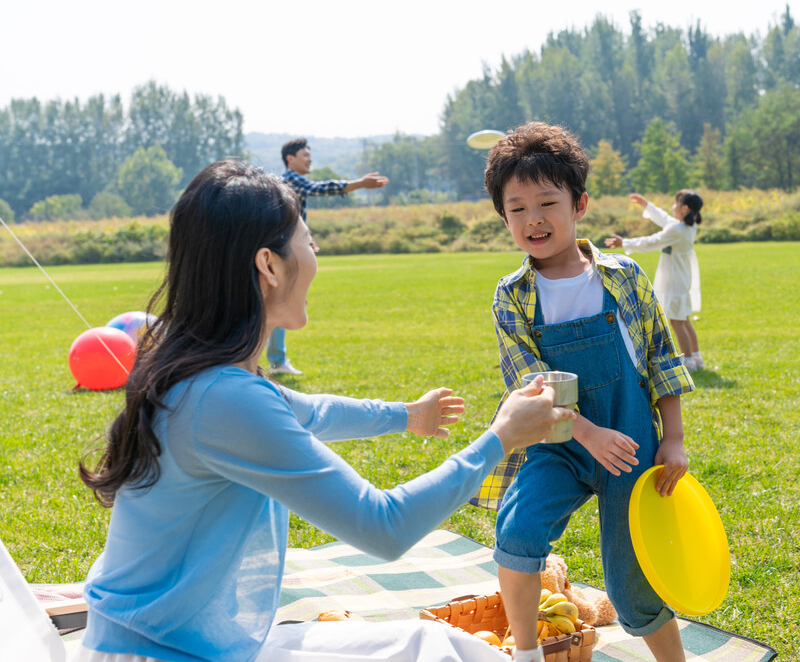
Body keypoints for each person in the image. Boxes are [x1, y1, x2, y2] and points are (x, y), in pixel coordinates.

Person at [74, 160, 574, 662]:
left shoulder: (210, 378)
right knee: (447, 655)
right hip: (158, 654)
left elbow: (311, 412)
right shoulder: (223, 398)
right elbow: (385, 526)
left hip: (183, 644)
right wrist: (501, 439)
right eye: (307, 241)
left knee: (439, 645)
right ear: (268, 265)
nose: (317, 254)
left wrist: (406, 415)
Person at [473, 122, 695, 662]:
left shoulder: (623, 276)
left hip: (632, 449)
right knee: (518, 532)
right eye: (517, 208)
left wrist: (675, 439)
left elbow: (662, 358)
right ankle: (526, 653)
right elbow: (529, 382)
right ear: (504, 217)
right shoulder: (512, 296)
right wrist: (586, 433)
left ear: (580, 204)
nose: (534, 219)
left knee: (632, 584)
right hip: (558, 446)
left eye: (548, 202)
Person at [266, 137, 390, 376]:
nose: (309, 158)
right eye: (305, 154)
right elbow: (318, 189)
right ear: (290, 159)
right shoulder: (291, 179)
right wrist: (360, 184)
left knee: (276, 302)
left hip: (284, 249)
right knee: (278, 302)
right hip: (283, 252)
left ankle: (275, 360)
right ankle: (276, 361)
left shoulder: (289, 181)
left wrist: (304, 242)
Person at [605, 191, 704, 371]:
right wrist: (646, 205)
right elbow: (664, 218)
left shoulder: (677, 230)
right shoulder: (685, 227)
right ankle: (696, 357)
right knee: (684, 319)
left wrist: (625, 242)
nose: (673, 207)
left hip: (675, 279)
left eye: (676, 203)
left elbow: (652, 241)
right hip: (681, 277)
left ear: (684, 208)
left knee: (677, 321)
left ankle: (688, 360)